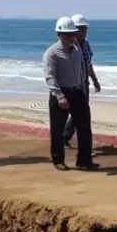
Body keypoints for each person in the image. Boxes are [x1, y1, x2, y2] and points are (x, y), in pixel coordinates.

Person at [43, 16, 98, 171]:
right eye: (67, 34)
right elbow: (50, 76)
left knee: (84, 127)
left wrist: (83, 87)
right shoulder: (52, 53)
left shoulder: (77, 50)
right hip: (60, 94)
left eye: (73, 33)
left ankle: (84, 161)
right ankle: (58, 160)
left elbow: (82, 70)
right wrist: (59, 96)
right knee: (57, 130)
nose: (71, 37)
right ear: (59, 35)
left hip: (77, 91)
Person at [63, 13, 101, 147]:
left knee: (81, 112)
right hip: (72, 85)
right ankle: (67, 138)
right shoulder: (69, 47)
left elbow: (88, 64)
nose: (85, 31)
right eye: (82, 28)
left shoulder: (86, 45)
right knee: (77, 112)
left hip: (83, 84)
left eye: (85, 28)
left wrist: (95, 80)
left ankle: (66, 137)